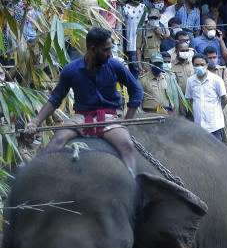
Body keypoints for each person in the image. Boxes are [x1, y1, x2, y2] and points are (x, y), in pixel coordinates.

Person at [24, 27, 142, 174]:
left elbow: (136, 90)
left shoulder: (115, 66)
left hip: (110, 118)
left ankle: (132, 185)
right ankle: (40, 181)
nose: (110, 53)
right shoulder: (70, 69)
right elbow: (55, 99)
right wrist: (35, 122)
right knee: (56, 143)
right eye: (106, 50)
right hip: (80, 118)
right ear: (93, 49)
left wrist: (126, 122)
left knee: (126, 145)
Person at [184, 53, 227, 140]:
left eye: (202, 64)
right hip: (199, 124)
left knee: (215, 151)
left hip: (214, 125)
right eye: (197, 65)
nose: (199, 67)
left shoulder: (216, 80)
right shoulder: (190, 81)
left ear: (207, 65)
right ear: (193, 65)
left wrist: (217, 110)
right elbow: (190, 100)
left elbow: (224, 99)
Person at [121, 0, 147, 76]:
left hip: (143, 41)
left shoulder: (144, 7)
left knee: (143, 66)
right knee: (134, 66)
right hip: (131, 41)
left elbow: (146, 23)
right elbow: (122, 23)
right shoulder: (125, 8)